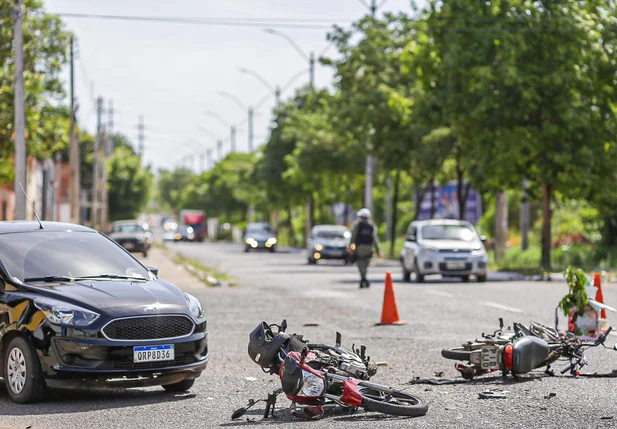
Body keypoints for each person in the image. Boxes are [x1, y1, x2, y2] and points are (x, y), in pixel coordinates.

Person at [349, 208, 381, 288]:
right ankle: (364, 278)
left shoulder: (357, 225)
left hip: (359, 247)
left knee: (360, 263)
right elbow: (375, 239)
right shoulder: (372, 226)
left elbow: (353, 237)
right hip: (369, 248)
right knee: (366, 264)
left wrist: (350, 246)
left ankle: (363, 278)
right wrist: (378, 251)